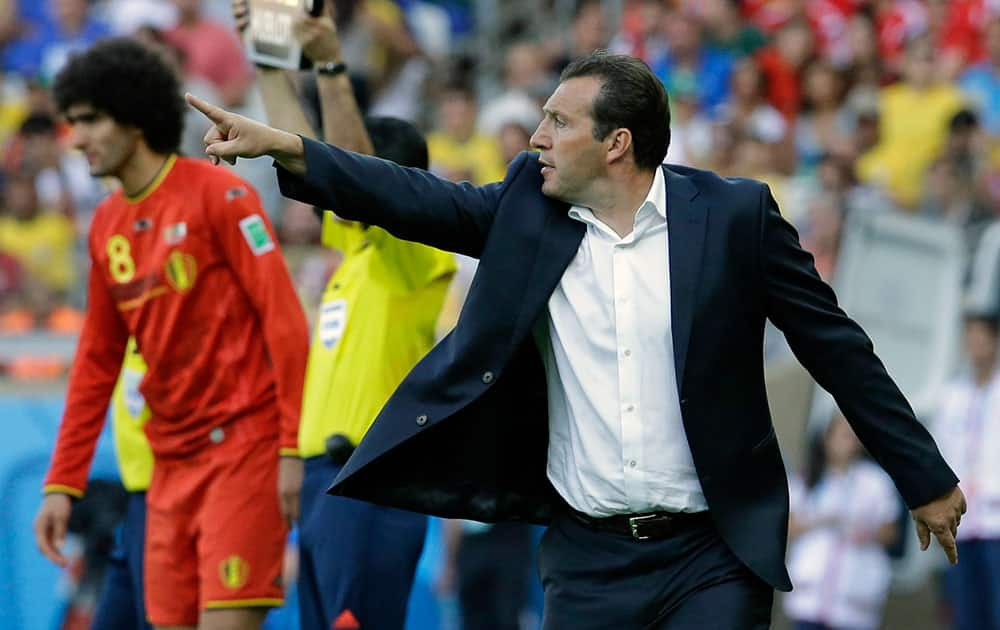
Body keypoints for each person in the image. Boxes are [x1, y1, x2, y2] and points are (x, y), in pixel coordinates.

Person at [187, 51, 965, 629]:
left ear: (617, 143)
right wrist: (290, 149)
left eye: (558, 121)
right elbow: (414, 198)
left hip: (713, 553)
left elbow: (837, 346)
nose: (537, 137)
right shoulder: (528, 209)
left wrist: (921, 474)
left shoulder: (735, 217)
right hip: (586, 558)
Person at [33, 38, 309, 630]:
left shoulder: (223, 196)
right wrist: (63, 482)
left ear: (134, 118)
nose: (76, 139)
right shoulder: (106, 224)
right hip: (169, 468)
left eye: (89, 121)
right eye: (71, 123)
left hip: (242, 450)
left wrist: (289, 449)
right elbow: (95, 362)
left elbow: (285, 324)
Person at [233, 2, 455, 627]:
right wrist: (270, 61)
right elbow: (304, 160)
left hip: (370, 480)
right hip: (320, 478)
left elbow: (352, 178)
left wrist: (330, 63)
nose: (334, 185)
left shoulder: (415, 251)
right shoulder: (352, 256)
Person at [783, 414, 901, 630]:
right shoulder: (806, 479)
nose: (850, 442)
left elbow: (891, 532)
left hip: (854, 599)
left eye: (855, 437)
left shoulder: (876, 482)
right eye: (844, 435)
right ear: (826, 438)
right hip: (810, 595)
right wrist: (822, 520)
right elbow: (788, 528)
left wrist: (866, 532)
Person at [933, 309, 1000, 630]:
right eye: (969, 337)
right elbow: (942, 455)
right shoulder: (952, 396)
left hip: (996, 523)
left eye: (981, 337)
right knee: (965, 614)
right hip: (962, 523)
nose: (974, 344)